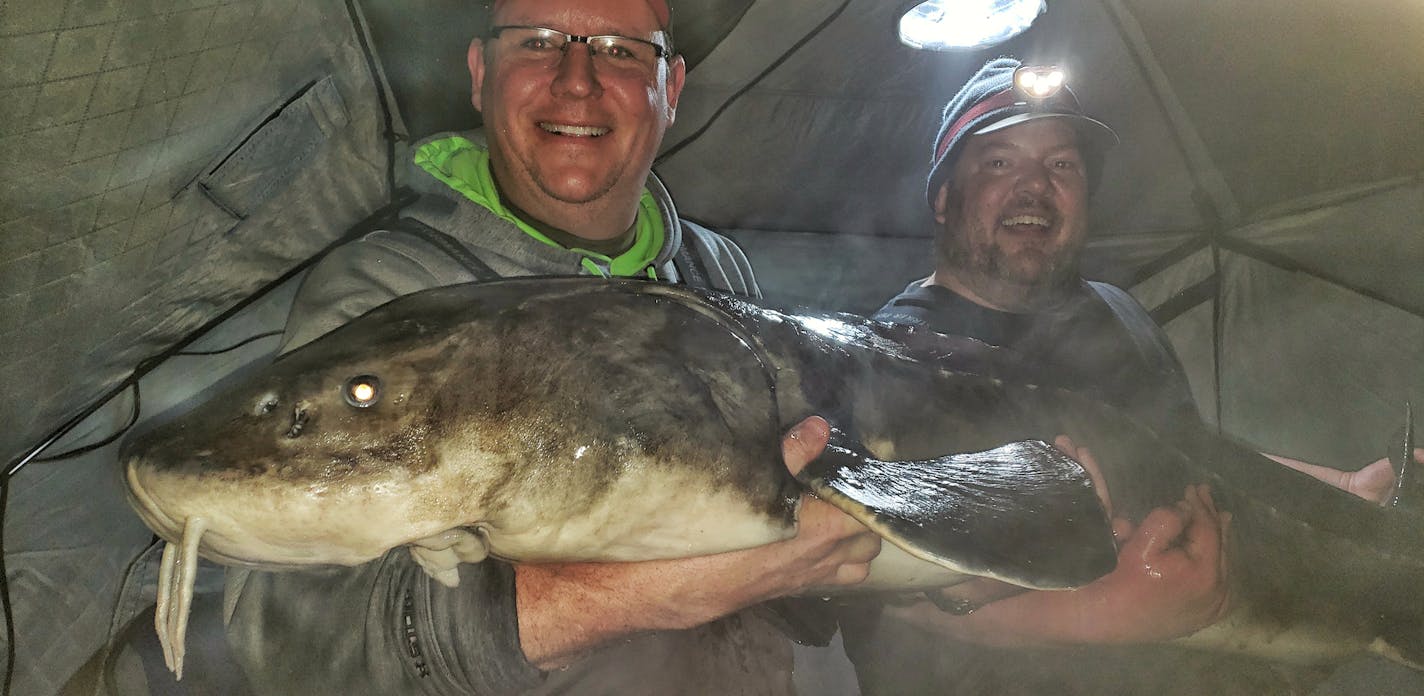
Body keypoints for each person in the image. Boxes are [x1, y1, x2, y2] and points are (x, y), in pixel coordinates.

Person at [71, 1, 881, 694]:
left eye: (619, 49)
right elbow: (280, 637)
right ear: (479, 74)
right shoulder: (390, 286)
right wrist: (638, 596)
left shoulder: (716, 268)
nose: (576, 79)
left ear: (669, 89)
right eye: (535, 40)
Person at [840, 57, 1417, 695]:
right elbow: (871, 582)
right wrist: (1108, 613)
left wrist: (1344, 489)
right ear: (946, 198)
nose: (1034, 186)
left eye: (1061, 164)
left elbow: (1186, 453)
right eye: (1000, 162)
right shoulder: (894, 357)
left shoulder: (1114, 309)